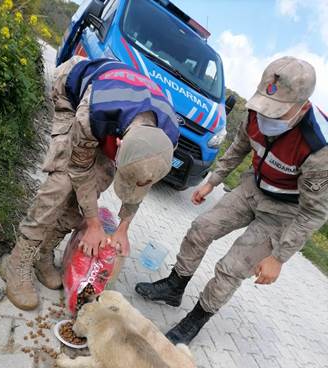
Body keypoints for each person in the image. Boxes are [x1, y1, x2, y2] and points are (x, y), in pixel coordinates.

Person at [135, 56, 328, 345]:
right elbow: (238, 148)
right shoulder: (255, 112)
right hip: (252, 188)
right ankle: (174, 287)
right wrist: (212, 182)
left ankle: (196, 319)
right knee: (200, 228)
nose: (267, 118)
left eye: (277, 113)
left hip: (283, 212)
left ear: (302, 107)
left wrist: (278, 258)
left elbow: (314, 213)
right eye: (265, 107)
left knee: (233, 266)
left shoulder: (319, 149)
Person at [2, 55, 179, 310]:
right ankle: (17, 260)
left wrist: (123, 227)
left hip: (119, 120)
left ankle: (44, 254)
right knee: (63, 184)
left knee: (94, 186)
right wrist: (94, 224)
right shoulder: (94, 113)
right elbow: (78, 168)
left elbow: (144, 179)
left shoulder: (166, 140)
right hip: (74, 93)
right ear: (118, 145)